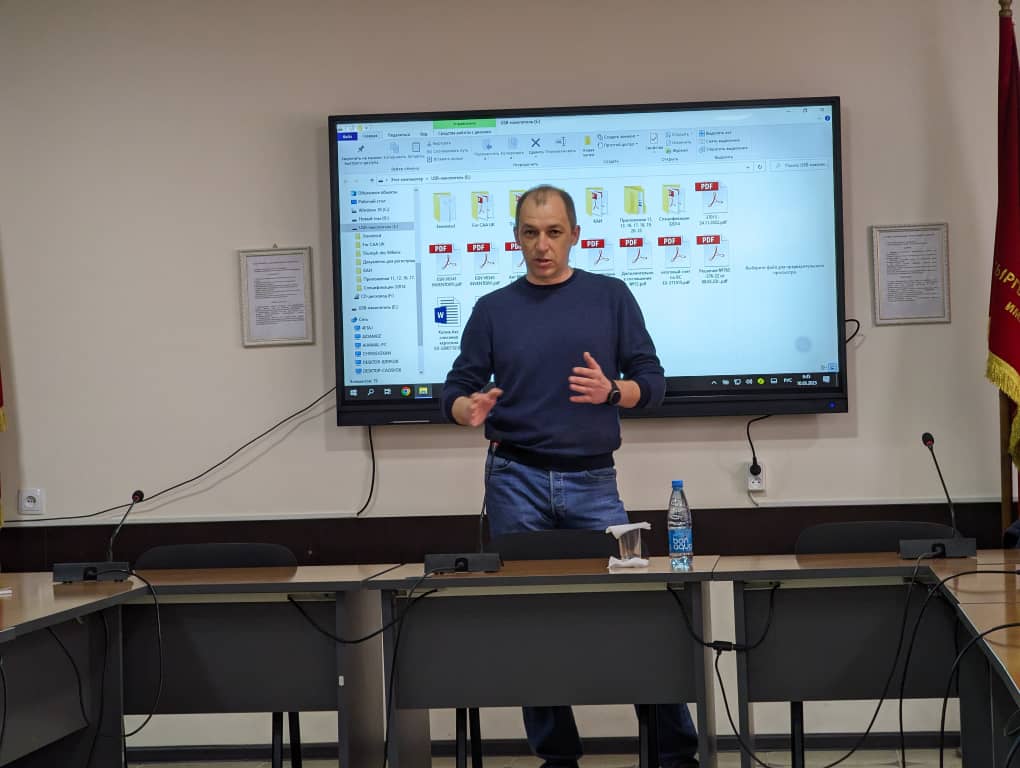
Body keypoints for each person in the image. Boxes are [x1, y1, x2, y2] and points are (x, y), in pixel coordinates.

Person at [442, 185, 699, 768]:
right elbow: (457, 387)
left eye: (554, 232)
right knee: (531, 622)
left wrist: (613, 391)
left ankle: (674, 754)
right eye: (530, 233)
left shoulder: (610, 297)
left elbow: (653, 382)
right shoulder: (492, 309)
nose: (542, 245)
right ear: (516, 238)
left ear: (575, 235)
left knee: (637, 617)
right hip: (514, 479)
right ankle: (557, 758)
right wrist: (465, 408)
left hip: (593, 480)